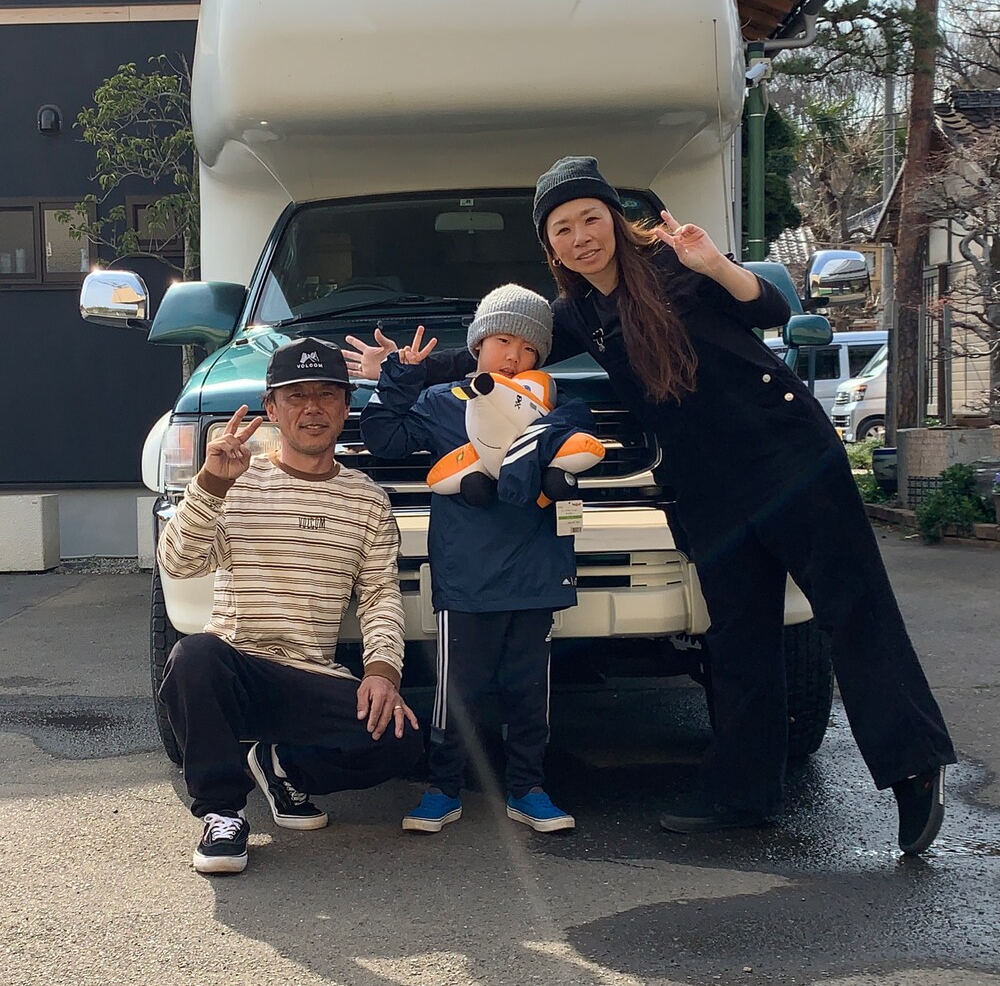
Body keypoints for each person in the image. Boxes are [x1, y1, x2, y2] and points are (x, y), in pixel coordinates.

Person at [345, 157, 956, 856]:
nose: (581, 237)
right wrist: (406, 368)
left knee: (852, 607)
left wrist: (716, 264)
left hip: (787, 456)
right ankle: (743, 793)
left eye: (590, 219)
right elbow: (494, 360)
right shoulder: (579, 313)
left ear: (613, 220)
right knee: (739, 636)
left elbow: (771, 310)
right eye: (563, 229)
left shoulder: (677, 265)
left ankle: (914, 765)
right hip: (706, 485)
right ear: (551, 248)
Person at [158, 336, 422, 875]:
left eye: (326, 394)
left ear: (345, 407)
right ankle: (223, 815)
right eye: (296, 396)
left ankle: (283, 765)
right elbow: (179, 563)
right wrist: (209, 484)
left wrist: (381, 673)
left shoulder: (367, 498)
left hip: (310, 674)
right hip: (237, 667)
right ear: (272, 409)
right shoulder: (235, 481)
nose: (312, 408)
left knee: (403, 740)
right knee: (194, 656)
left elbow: (379, 596)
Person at [360, 285, 596, 835]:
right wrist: (398, 377)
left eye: (529, 349)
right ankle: (443, 788)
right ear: (478, 343)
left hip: (536, 571)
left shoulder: (554, 406)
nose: (514, 356)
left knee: (530, 691)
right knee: (457, 693)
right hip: (466, 575)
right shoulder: (444, 400)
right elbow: (384, 438)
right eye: (503, 341)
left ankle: (528, 789)